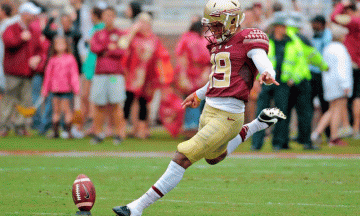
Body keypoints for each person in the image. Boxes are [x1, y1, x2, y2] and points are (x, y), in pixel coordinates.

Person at [112, 0, 285, 215]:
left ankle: (136, 208)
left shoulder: (248, 39)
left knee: (183, 155)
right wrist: (198, 93)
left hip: (229, 115)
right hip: (209, 108)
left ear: (231, 22)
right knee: (214, 157)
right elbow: (217, 78)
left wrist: (268, 73)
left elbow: (262, 60)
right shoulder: (220, 43)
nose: (212, 29)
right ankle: (257, 125)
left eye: (216, 24)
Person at [122, 12, 173, 139]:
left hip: (147, 77)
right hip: (132, 75)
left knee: (143, 102)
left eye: (146, 22)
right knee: (128, 101)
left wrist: (162, 76)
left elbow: (162, 56)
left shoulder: (153, 39)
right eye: (141, 22)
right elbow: (122, 46)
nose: (143, 25)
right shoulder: (132, 36)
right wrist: (132, 31)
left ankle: (141, 129)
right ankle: (122, 128)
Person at [0, 2, 42, 137]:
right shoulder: (11, 28)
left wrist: (38, 58)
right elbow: (8, 42)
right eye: (31, 13)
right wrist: (20, 38)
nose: (34, 16)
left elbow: (40, 49)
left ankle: (21, 126)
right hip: (13, 72)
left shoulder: (34, 30)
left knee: (25, 100)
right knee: (9, 99)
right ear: (24, 14)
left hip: (28, 72)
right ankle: (3, 126)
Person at [311, 24, 353, 146]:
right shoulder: (340, 49)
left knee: (332, 109)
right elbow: (342, 68)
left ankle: (317, 132)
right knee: (337, 109)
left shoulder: (328, 48)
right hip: (339, 84)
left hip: (329, 83)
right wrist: (345, 84)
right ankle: (334, 137)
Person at [90, 7, 126, 145]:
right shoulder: (98, 33)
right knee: (99, 104)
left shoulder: (120, 33)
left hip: (115, 74)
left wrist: (109, 50)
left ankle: (120, 134)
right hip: (100, 73)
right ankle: (98, 133)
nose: (108, 18)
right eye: (106, 15)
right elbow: (95, 48)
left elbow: (121, 51)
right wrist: (108, 47)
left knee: (116, 104)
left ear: (114, 16)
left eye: (111, 15)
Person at [73, 6, 105, 138]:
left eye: (91, 15)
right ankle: (82, 126)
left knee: (92, 98)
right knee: (84, 96)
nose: (89, 18)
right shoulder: (93, 28)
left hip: (96, 67)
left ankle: (94, 127)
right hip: (88, 65)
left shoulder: (102, 28)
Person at [175, 20, 210, 138]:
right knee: (197, 100)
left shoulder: (185, 38)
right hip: (197, 75)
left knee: (190, 100)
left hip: (190, 75)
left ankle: (189, 127)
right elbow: (207, 60)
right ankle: (193, 128)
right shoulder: (200, 39)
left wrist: (182, 75)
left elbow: (181, 56)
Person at [331, 0, 360, 139]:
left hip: (353, 63)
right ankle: (355, 128)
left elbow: (334, 17)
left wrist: (342, 4)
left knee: (349, 96)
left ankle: (350, 126)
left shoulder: (356, 21)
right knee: (356, 96)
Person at [41, 36, 80, 138]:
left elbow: (74, 75)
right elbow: (48, 76)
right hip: (55, 89)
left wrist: (76, 88)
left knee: (67, 110)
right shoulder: (52, 60)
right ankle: (55, 132)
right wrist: (45, 89)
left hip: (66, 89)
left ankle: (68, 131)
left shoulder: (70, 59)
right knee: (56, 111)